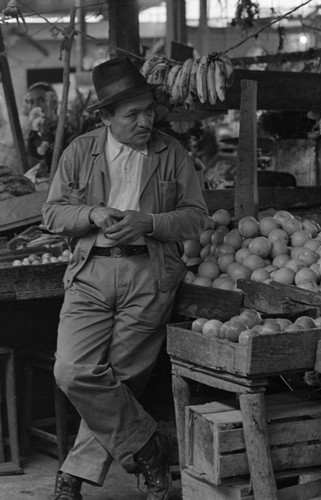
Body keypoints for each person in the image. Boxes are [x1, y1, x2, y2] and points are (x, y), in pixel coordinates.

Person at [42, 57, 208, 500]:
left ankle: (73, 475)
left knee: (122, 377)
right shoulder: (81, 151)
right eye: (131, 114)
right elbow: (52, 213)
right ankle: (151, 447)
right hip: (91, 272)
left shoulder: (171, 153)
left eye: (148, 110)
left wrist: (148, 222)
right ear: (107, 117)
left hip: (149, 274)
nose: (144, 120)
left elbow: (195, 218)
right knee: (73, 370)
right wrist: (92, 213)